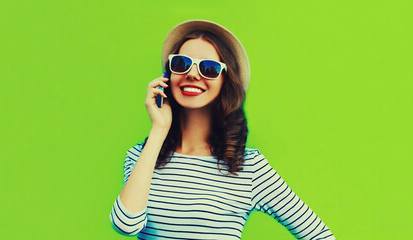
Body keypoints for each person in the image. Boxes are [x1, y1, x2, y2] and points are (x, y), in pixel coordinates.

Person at [109, 19, 336, 240]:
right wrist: (159, 129)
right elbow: (126, 224)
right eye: (181, 63)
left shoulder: (249, 167)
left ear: (226, 81)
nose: (192, 74)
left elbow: (320, 235)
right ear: (168, 75)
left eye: (209, 68)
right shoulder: (140, 157)